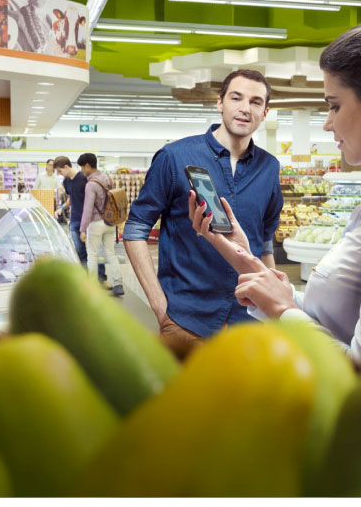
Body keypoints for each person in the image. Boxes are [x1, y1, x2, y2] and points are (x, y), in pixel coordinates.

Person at [190, 18, 361, 369]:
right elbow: (344, 321)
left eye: (334, 105)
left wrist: (283, 310)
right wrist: (248, 259)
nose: (327, 122)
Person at [124, 69, 282, 359]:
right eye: (237, 97)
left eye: (256, 102)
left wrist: (274, 305)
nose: (245, 108)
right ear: (220, 103)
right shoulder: (175, 157)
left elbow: (266, 240)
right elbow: (135, 229)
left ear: (265, 112)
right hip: (186, 320)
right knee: (184, 404)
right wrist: (160, 307)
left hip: (250, 325)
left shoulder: (270, 168)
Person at [54, 156, 107, 283]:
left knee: (94, 251)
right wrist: (61, 208)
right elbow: (70, 199)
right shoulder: (66, 182)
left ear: (66, 167)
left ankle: (101, 279)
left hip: (89, 220)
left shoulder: (84, 179)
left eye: (60, 171)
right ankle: (87, 279)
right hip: (74, 221)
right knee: (80, 252)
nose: (60, 174)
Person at [78, 153, 124, 297]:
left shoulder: (91, 184)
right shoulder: (107, 178)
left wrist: (82, 229)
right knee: (111, 253)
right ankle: (118, 284)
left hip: (96, 223)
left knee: (92, 254)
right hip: (110, 222)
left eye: (81, 167)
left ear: (87, 165)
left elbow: (88, 208)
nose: (81, 171)